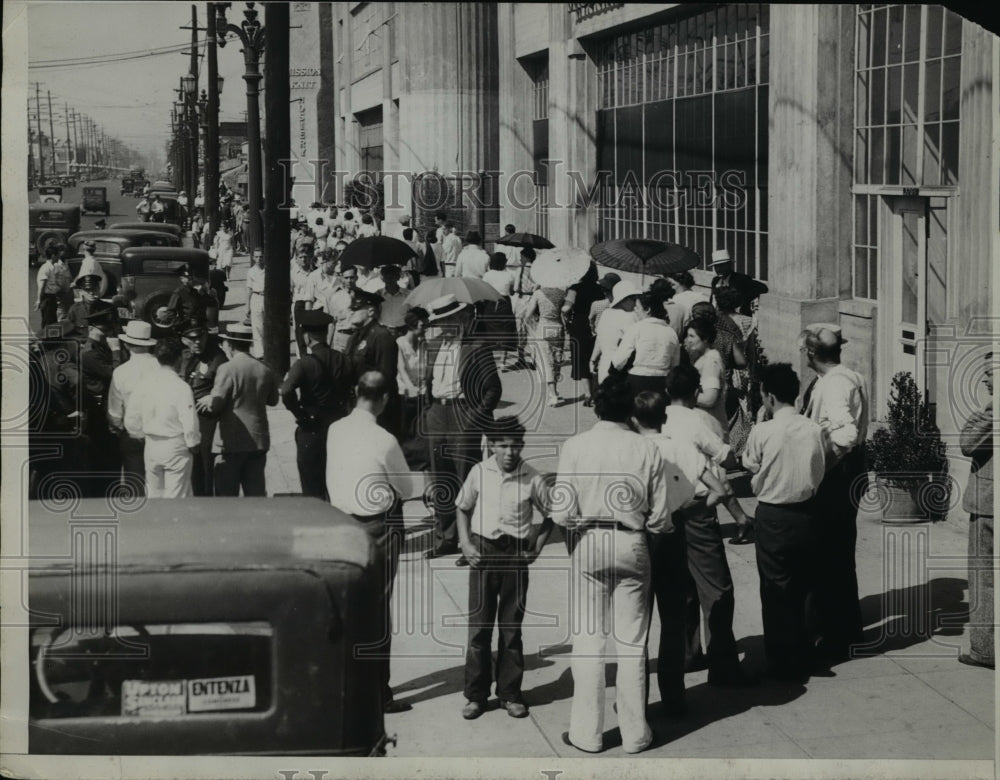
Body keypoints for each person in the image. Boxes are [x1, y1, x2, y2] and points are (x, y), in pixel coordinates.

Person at [553, 374, 670, 754]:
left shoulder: (575, 446)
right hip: (631, 540)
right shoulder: (646, 449)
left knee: (589, 641)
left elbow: (560, 512)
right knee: (632, 642)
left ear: (596, 406)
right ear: (631, 410)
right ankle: (636, 734)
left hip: (589, 540)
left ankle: (586, 733)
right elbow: (661, 517)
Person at [630, 390, 733, 710]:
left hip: (641, 536)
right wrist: (690, 505)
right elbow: (721, 489)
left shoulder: (632, 449)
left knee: (637, 622)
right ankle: (674, 696)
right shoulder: (681, 447)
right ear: (664, 417)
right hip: (675, 531)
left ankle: (635, 697)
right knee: (672, 619)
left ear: (633, 420)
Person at [326, 370, 419, 714]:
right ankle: (377, 692)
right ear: (384, 399)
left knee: (349, 608)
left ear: (356, 391)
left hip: (342, 524)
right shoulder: (384, 439)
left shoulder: (336, 429)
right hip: (378, 526)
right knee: (378, 612)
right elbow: (407, 489)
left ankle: (345, 683)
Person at [456, 416, 553, 720]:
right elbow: (463, 507)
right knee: (479, 629)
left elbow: (552, 513)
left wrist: (536, 546)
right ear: (492, 446)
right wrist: (466, 544)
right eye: (503, 446)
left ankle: (510, 693)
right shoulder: (479, 472)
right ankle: (476, 695)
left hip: (515, 555)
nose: (509, 452)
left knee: (511, 630)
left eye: (514, 446)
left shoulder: (532, 477)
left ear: (522, 446)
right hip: (483, 553)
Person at [742, 363, 826, 680]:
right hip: (806, 512)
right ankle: (805, 650)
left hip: (773, 512)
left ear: (770, 397)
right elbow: (818, 471)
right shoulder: (814, 429)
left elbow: (750, 464)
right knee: (805, 583)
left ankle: (780, 658)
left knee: (776, 586)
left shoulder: (762, 431)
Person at [800, 323, 869, 666]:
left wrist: (821, 463)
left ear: (812, 353)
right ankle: (847, 628)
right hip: (847, 475)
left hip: (837, 477)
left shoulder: (836, 383)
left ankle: (833, 635)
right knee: (839, 553)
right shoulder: (849, 376)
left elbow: (847, 434)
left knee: (828, 555)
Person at [423, 294, 502, 561]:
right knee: (441, 478)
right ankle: (446, 538)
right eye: (439, 321)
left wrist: (474, 419)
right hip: (437, 413)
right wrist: (428, 411)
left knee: (466, 480)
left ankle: (470, 542)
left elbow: (493, 389)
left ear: (459, 318)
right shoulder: (433, 346)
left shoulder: (477, 347)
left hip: (463, 413)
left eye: (446, 320)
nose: (443, 326)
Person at [280, 310, 356, 500]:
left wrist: (299, 413)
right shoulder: (343, 359)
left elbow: (286, 390)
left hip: (312, 427)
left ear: (306, 336)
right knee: (337, 480)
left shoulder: (304, 364)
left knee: (312, 482)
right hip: (338, 426)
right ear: (325, 333)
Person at [199, 323, 280, 496]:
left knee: (227, 496)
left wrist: (208, 399)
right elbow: (273, 400)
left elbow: (216, 405)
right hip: (258, 439)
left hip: (231, 441)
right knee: (255, 493)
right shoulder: (265, 369)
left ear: (230, 345)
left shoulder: (227, 369)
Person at [958, 352, 994, 669]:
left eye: (990, 373)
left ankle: (985, 650)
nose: (985, 379)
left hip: (989, 506)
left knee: (984, 580)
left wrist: (987, 410)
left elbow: (968, 443)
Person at [134, 337, 200, 499]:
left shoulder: (145, 384)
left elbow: (133, 414)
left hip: (151, 445)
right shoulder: (181, 387)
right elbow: (189, 419)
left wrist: (139, 434)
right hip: (175, 445)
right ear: (178, 358)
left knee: (154, 495)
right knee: (176, 495)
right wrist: (193, 442)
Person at [106, 320, 159, 495]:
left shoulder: (121, 372)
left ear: (127, 344)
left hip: (132, 432)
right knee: (157, 483)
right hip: (160, 432)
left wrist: (118, 427)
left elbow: (114, 410)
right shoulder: (160, 368)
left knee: (135, 483)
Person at [179, 323, 229, 497]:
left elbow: (227, 383)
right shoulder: (182, 356)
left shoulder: (217, 357)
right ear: (184, 340)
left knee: (204, 462)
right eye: (192, 339)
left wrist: (213, 395)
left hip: (205, 418)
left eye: (200, 338)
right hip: (183, 415)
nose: (197, 342)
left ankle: (205, 499)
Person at [78, 302, 122, 497]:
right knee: (101, 455)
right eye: (103, 330)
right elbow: (116, 373)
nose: (107, 333)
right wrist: (116, 351)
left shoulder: (99, 347)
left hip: (105, 406)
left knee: (110, 454)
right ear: (92, 329)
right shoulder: (89, 353)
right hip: (97, 412)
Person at [346, 287, 400, 437]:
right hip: (357, 405)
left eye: (356, 309)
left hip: (375, 408)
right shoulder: (355, 337)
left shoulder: (381, 336)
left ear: (371, 311)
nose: (351, 312)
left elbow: (386, 376)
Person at [611, 288, 681, 399]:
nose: (635, 310)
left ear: (647, 309)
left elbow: (619, 360)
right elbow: (675, 364)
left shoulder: (636, 328)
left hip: (638, 381)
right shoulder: (671, 332)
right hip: (663, 382)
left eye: (637, 307)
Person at [563, 263, 605, 406]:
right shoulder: (600, 288)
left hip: (579, 326)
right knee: (595, 358)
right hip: (597, 325)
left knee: (581, 359)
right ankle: (596, 390)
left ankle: (588, 394)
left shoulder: (574, 289)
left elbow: (566, 308)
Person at [396, 307, 431, 470]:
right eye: (424, 326)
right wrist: (411, 387)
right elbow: (401, 369)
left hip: (423, 393)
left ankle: (419, 464)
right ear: (415, 325)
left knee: (421, 432)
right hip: (405, 394)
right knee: (406, 432)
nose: (426, 329)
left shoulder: (425, 344)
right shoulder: (400, 343)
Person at [522, 282, 567, 407]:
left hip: (543, 327)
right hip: (558, 327)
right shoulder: (562, 293)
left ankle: (553, 395)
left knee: (546, 362)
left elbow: (528, 313)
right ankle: (555, 390)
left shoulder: (539, 293)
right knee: (557, 360)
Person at [683, 318, 729, 435]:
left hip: (710, 425)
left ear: (705, 338)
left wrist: (681, 396)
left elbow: (709, 399)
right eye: (687, 336)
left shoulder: (711, 361)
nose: (688, 340)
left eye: (692, 336)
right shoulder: (703, 357)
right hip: (705, 423)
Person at [590, 280, 639, 385]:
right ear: (625, 299)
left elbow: (599, 340)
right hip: (620, 368)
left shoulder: (606, 314)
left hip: (604, 366)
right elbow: (633, 345)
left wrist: (593, 359)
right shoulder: (630, 317)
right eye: (633, 298)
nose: (635, 302)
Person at [708, 249, 766, 316]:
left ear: (729, 265)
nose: (718, 269)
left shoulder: (741, 279)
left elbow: (763, 288)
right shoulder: (715, 280)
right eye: (716, 266)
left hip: (737, 317)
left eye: (721, 266)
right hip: (718, 317)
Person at [34, 243, 72, 328]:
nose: (58, 257)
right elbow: (41, 286)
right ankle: (44, 340)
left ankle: (49, 339)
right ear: (53, 255)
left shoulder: (51, 267)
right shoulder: (46, 268)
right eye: (57, 255)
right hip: (47, 298)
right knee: (47, 322)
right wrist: (39, 300)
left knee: (51, 322)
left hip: (51, 297)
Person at [164, 265, 211, 329]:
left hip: (201, 326)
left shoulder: (197, 290)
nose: (190, 279)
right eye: (187, 277)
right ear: (182, 279)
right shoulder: (179, 292)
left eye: (191, 277)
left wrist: (203, 293)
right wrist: (179, 325)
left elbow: (210, 303)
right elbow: (170, 312)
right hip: (186, 327)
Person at [325, 263, 359, 353]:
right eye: (346, 278)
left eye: (352, 277)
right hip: (340, 337)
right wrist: (328, 343)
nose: (349, 281)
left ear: (356, 278)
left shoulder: (362, 295)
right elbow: (331, 323)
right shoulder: (334, 296)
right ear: (341, 278)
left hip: (357, 337)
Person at [370, 265, 410, 336]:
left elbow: (412, 313)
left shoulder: (408, 294)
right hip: (383, 331)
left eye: (392, 277)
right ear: (383, 279)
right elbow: (373, 314)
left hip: (403, 331)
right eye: (387, 277)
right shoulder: (377, 295)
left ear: (398, 277)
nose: (389, 280)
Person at [291, 247, 316, 358]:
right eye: (300, 257)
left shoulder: (314, 272)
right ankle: (301, 356)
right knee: (299, 331)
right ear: (296, 259)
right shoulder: (293, 273)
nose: (303, 260)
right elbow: (290, 291)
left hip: (313, 303)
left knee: (312, 329)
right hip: (299, 303)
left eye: (305, 257)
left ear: (310, 258)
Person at [668, 270, 708, 334]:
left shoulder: (675, 299)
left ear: (682, 283)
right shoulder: (702, 296)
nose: (670, 287)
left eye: (672, 284)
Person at [246, 249, 266, 357]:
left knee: (267, 325)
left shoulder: (268, 270)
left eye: (261, 257)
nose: (259, 259)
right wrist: (247, 306)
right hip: (256, 297)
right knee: (257, 326)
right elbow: (249, 289)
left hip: (267, 298)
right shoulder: (251, 271)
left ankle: (269, 349)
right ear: (253, 258)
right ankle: (259, 352)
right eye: (256, 257)